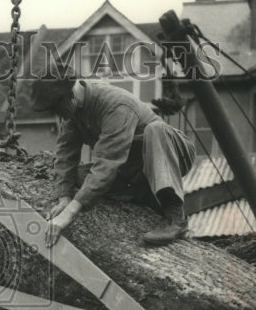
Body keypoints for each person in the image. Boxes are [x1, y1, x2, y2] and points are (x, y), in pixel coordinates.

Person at [31, 77, 195, 247]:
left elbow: (107, 162)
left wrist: (69, 213)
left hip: (169, 154)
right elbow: (65, 154)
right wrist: (64, 196)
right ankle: (143, 195)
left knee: (155, 130)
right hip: (132, 168)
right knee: (78, 178)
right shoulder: (73, 110)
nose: (60, 116)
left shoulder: (116, 105)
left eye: (59, 109)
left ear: (69, 95)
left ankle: (176, 218)